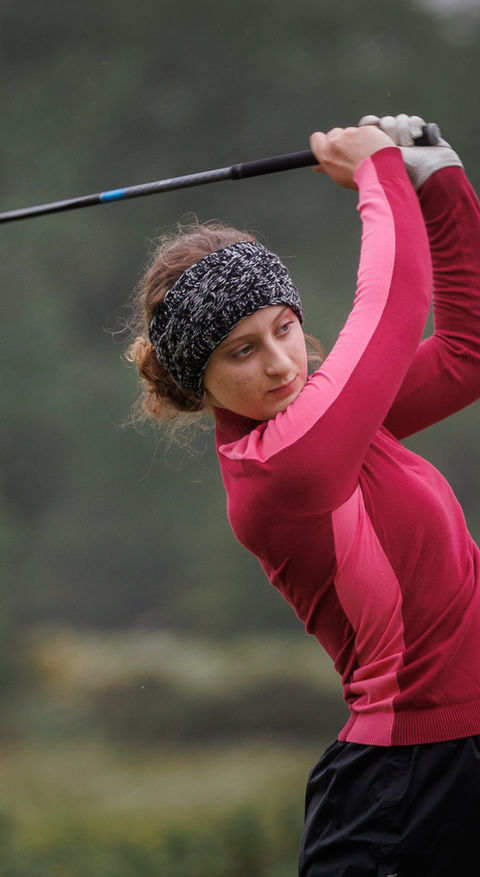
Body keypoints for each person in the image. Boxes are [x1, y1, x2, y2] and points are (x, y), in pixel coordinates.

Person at [126, 115, 480, 876]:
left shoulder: (335, 421)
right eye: (242, 351)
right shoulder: (281, 466)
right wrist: (381, 175)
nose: (282, 363)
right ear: (201, 381)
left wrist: (440, 181)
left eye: (284, 328)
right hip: (404, 788)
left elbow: (466, 350)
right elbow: (390, 304)